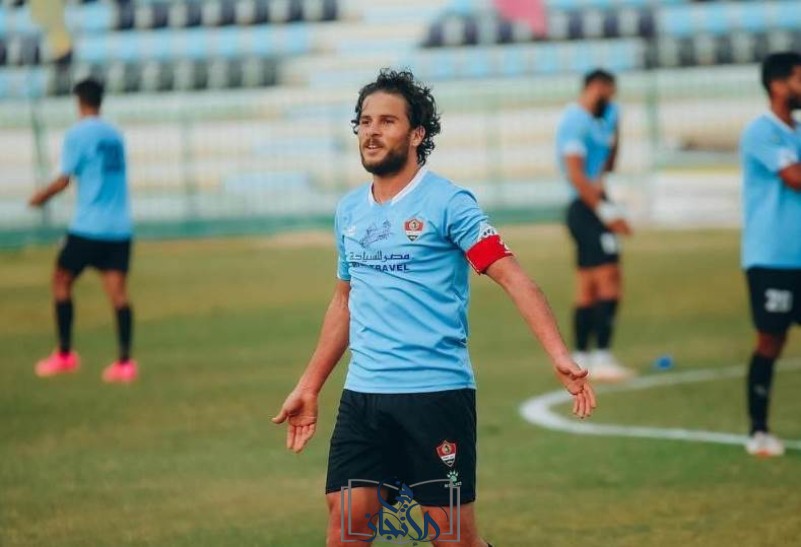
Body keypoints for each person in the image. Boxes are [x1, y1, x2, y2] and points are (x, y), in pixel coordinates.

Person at [272, 69, 596, 547]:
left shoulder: (449, 203)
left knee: (452, 538)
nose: (372, 132)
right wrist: (309, 384)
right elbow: (345, 300)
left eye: (387, 121)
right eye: (365, 121)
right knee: (346, 526)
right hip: (364, 396)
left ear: (417, 134)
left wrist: (559, 354)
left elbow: (514, 277)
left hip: (435, 395)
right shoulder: (349, 211)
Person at [29, 78, 137, 384]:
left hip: (88, 225)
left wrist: (40, 198)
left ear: (79, 102)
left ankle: (65, 354)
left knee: (61, 280)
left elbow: (64, 179)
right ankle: (125, 362)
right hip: (119, 227)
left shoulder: (78, 134)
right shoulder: (114, 135)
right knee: (118, 293)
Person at [740, 51, 801, 457]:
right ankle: (759, 431)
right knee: (770, 341)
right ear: (778, 85)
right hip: (771, 257)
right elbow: (794, 177)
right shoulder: (762, 132)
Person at [555, 68, 635, 381]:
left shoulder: (600, 122)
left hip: (595, 204)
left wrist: (617, 130)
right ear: (596, 87)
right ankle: (601, 355)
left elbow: (609, 166)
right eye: (609, 94)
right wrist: (607, 213)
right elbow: (576, 174)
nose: (611, 101)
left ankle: (580, 356)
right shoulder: (574, 122)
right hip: (586, 208)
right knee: (609, 277)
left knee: (588, 285)